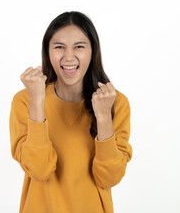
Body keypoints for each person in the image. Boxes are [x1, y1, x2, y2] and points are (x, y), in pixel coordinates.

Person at [9, 11, 132, 213]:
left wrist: (103, 118)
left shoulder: (116, 103)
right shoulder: (25, 101)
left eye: (79, 47)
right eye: (59, 47)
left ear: (93, 51)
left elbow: (109, 177)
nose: (68, 56)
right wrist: (37, 102)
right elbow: (40, 170)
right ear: (48, 52)